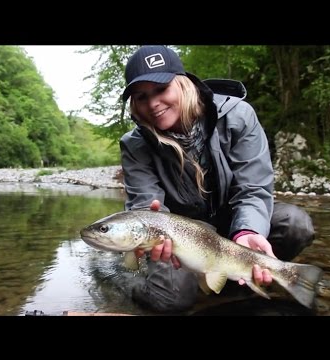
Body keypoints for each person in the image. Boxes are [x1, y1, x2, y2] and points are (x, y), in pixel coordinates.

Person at [119, 45, 315, 313]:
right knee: (170, 301)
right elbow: (147, 207)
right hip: (182, 238)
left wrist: (250, 231)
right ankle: (128, 284)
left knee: (295, 224)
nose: (153, 104)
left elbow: (254, 189)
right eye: (141, 97)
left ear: (183, 84)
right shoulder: (135, 145)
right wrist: (154, 242)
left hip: (233, 225)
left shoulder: (238, 115)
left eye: (161, 90)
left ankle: (238, 276)